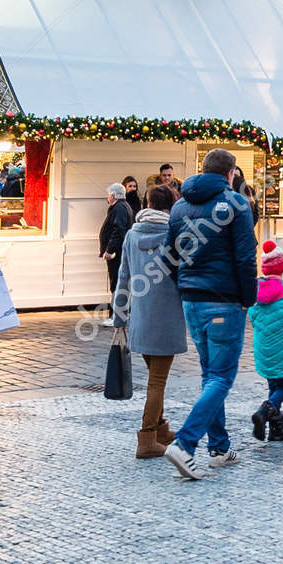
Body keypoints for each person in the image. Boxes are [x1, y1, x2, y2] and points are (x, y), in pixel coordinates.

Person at [162, 149, 257, 479]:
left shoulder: (179, 205)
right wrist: (248, 298)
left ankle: (218, 447)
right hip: (225, 301)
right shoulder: (235, 204)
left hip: (192, 300)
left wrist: (185, 287)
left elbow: (168, 256)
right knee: (220, 377)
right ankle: (185, 444)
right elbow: (246, 257)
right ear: (230, 173)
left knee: (209, 374)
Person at [115, 183, 185, 459]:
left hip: (141, 317)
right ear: (171, 205)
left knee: (155, 376)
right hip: (167, 315)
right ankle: (146, 439)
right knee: (158, 380)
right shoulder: (174, 233)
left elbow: (123, 277)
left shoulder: (133, 234)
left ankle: (160, 429)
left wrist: (119, 315)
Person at [247, 239, 283, 442]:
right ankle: (266, 409)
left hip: (263, 350)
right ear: (282, 268)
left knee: (273, 386)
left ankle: (276, 428)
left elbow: (252, 317)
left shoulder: (254, 293)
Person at [98, 183, 132, 296]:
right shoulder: (122, 206)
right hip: (118, 252)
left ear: (113, 196)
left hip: (116, 254)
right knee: (117, 282)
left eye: (108, 195)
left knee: (116, 283)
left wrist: (110, 250)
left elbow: (118, 230)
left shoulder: (119, 207)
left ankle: (116, 311)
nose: (107, 197)